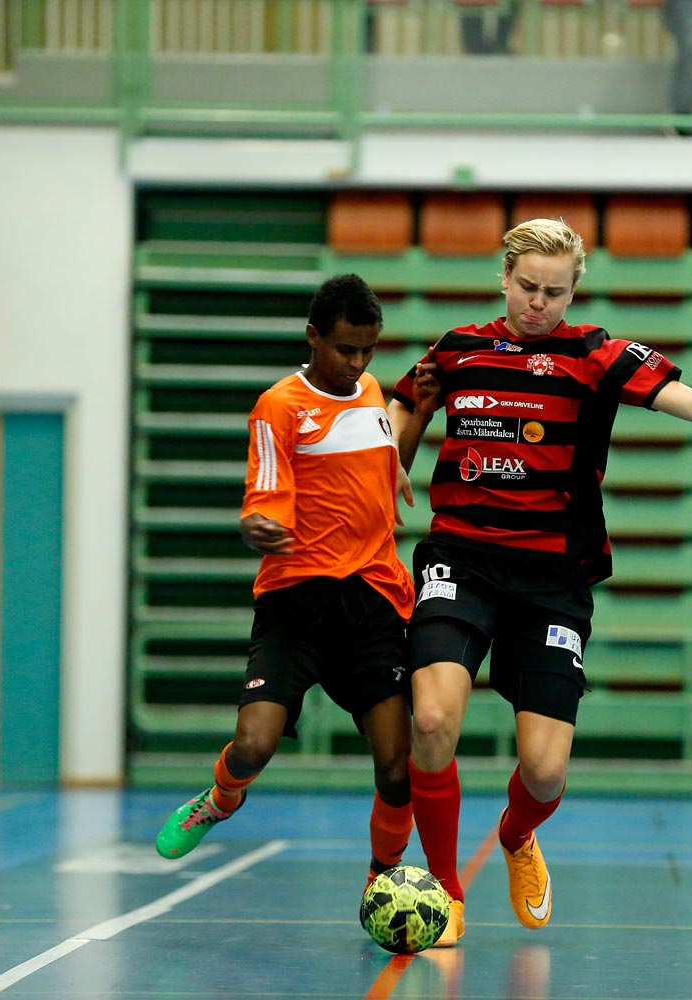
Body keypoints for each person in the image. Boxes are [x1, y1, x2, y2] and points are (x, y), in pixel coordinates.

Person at [386, 218, 692, 946]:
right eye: (527, 287)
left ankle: (518, 836)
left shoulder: (596, 354)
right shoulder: (458, 348)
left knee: (546, 771)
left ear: (574, 290)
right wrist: (394, 454)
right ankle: (447, 892)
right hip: (460, 556)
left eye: (555, 292)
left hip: (554, 575)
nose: (539, 304)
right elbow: (407, 404)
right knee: (431, 721)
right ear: (504, 278)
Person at [154, 274, 430, 897]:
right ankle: (222, 798)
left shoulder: (370, 393)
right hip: (296, 601)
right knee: (253, 745)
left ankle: (382, 881)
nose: (356, 363)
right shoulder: (278, 406)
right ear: (312, 337)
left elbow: (388, 473)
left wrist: (423, 414)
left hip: (373, 600)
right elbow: (265, 503)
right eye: (344, 349)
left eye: (367, 349)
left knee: (397, 765)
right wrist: (257, 527)